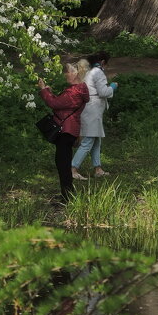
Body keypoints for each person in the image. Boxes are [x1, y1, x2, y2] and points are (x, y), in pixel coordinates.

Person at [38, 61, 90, 204]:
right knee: (63, 163)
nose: (65, 74)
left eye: (68, 71)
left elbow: (54, 104)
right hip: (69, 129)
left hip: (66, 130)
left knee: (63, 164)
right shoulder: (77, 90)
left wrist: (43, 90)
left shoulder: (75, 91)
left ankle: (67, 197)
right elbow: (61, 104)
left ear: (75, 73)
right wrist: (49, 92)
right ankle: (67, 194)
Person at [71, 51, 118, 180]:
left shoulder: (89, 72)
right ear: (103, 62)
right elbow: (103, 92)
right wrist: (113, 87)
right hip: (93, 110)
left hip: (90, 109)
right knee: (88, 141)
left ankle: (98, 169)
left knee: (96, 139)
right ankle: (73, 168)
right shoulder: (98, 72)